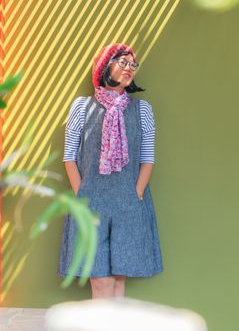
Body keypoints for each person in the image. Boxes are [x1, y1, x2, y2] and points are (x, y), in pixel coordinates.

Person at [58, 43, 164, 299]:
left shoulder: (143, 110)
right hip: (91, 203)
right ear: (105, 66)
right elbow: (69, 157)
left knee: (118, 283)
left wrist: (136, 193)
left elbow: (148, 158)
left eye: (133, 64)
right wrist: (82, 194)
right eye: (123, 62)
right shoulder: (82, 107)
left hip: (128, 203)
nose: (130, 68)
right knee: (101, 283)